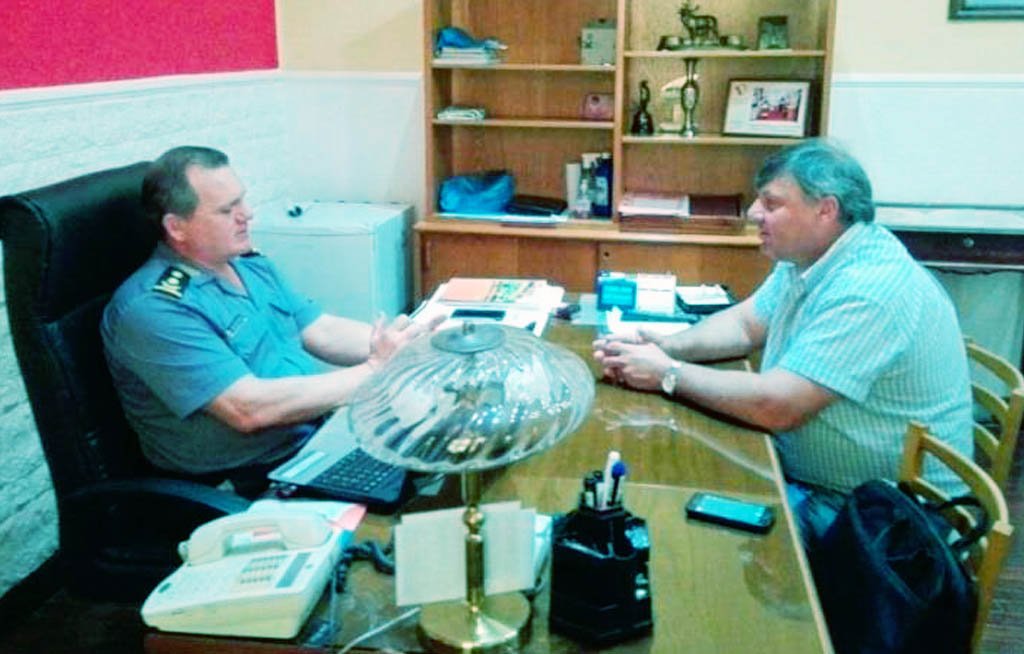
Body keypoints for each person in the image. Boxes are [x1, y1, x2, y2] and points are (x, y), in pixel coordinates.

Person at [593, 139, 972, 549]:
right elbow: (744, 325)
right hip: (824, 483)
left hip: (885, 521)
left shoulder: (870, 289)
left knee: (691, 538)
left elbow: (777, 407)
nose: (754, 213)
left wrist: (666, 374)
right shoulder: (813, 256)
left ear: (825, 210)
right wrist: (667, 346)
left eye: (772, 204)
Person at [102, 146, 435, 496]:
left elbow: (321, 330)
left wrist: (414, 346)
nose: (247, 215)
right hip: (248, 479)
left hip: (310, 438)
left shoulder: (247, 266)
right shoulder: (154, 309)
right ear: (176, 227)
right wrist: (375, 371)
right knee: (419, 497)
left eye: (242, 201)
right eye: (227, 210)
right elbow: (248, 409)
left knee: (437, 439)